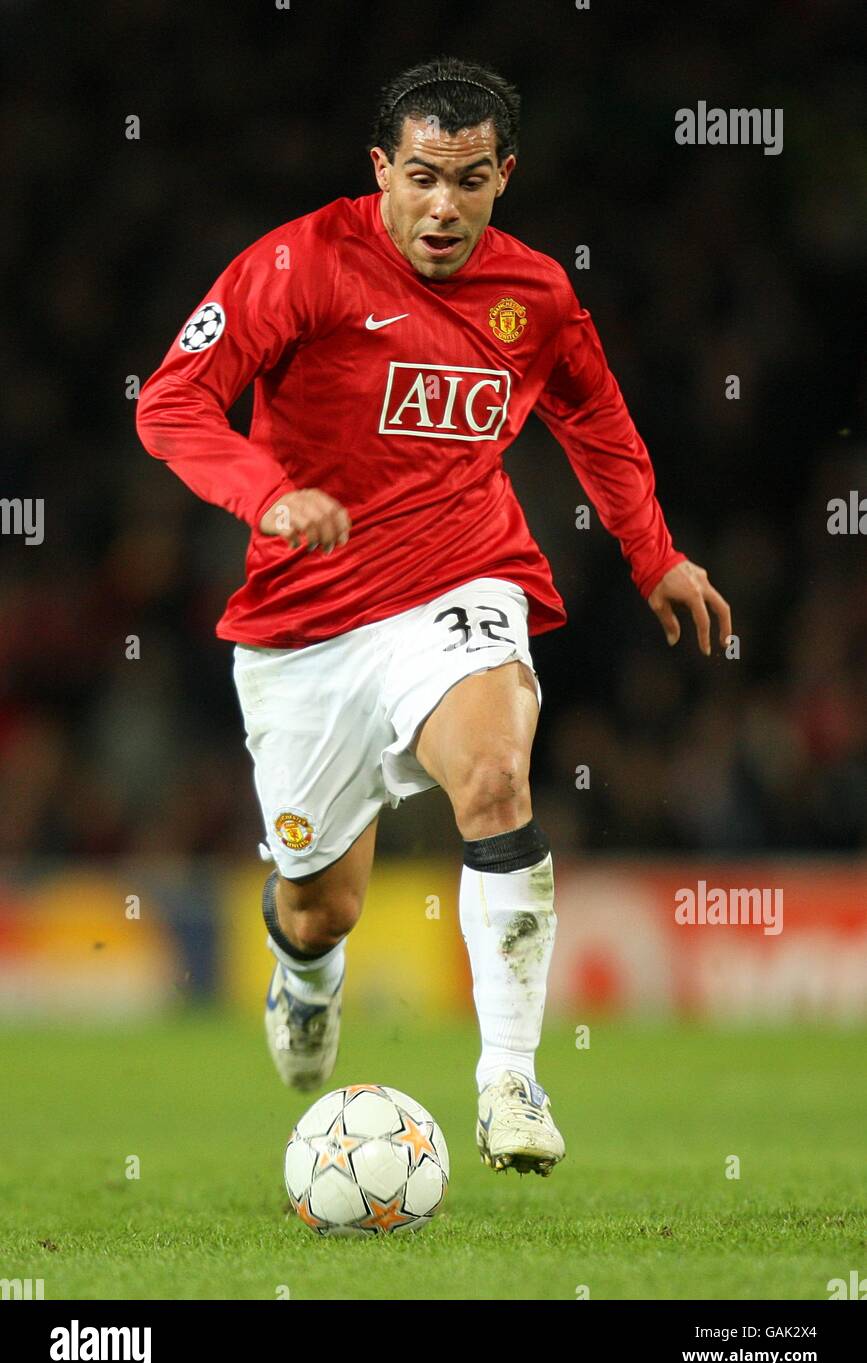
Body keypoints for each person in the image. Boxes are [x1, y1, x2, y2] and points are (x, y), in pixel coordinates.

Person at [136, 55, 732, 1178]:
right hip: (304, 629)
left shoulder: (538, 296)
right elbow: (170, 401)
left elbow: (595, 418)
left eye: (469, 179)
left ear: (505, 174)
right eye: (421, 178)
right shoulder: (300, 261)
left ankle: (509, 1078)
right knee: (322, 906)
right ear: (381, 170)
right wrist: (270, 493)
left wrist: (654, 554)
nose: (444, 207)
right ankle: (307, 975)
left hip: (460, 583)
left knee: (498, 779)